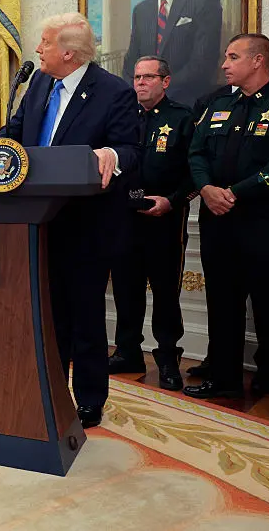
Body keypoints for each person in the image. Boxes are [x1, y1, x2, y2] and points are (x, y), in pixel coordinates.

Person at [0, 13, 140, 428]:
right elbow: (16, 129)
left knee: (84, 318)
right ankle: (50, 391)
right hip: (35, 222)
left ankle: (89, 400)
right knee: (46, 315)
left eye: (43, 43)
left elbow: (132, 150)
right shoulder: (39, 83)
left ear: (68, 53)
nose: (37, 50)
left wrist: (110, 156)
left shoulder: (113, 92)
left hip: (86, 226)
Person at [184, 34, 269, 426]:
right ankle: (224, 379)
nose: (225, 63)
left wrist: (235, 193)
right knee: (222, 302)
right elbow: (196, 152)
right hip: (217, 217)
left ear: (258, 61)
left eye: (233, 56)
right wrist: (206, 188)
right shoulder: (216, 103)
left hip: (267, 217)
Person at [108, 56, 194, 390]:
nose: (141, 82)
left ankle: (169, 358)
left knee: (165, 293)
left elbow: (196, 171)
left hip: (165, 219)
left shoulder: (182, 119)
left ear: (165, 81)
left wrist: (172, 200)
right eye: (137, 77)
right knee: (126, 289)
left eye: (148, 77)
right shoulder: (122, 118)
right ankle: (127, 351)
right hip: (124, 218)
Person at [122, 0, 223, 108]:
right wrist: (139, 94)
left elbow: (204, 60)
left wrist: (160, 90)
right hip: (146, 108)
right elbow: (131, 63)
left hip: (189, 104)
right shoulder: (141, 10)